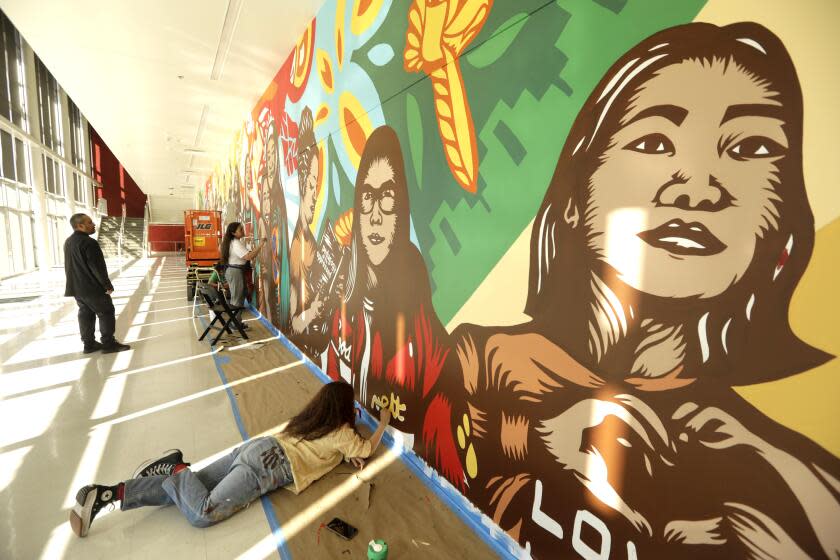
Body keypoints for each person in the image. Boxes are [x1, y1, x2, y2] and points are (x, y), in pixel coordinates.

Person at [437, 22, 839, 559]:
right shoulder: (483, 360)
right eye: (654, 141)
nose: (698, 188)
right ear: (576, 196)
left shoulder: (769, 476)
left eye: (749, 147)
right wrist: (534, 444)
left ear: (781, 225)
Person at [69, 381, 392, 537]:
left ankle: (111, 493)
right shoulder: (342, 432)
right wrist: (384, 422)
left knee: (182, 491)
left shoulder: (315, 418)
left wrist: (347, 456)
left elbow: (345, 450)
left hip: (257, 448)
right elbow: (366, 448)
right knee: (202, 513)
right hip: (269, 467)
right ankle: (176, 466)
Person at [324, 126, 455, 467]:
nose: (376, 214)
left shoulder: (419, 320)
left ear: (402, 210)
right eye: (367, 197)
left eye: (387, 197)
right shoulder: (346, 308)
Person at [64, 213, 130, 354]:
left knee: (85, 313)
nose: (93, 224)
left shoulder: (68, 242)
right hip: (91, 287)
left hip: (77, 288)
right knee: (105, 311)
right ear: (80, 226)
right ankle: (108, 344)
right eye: (89, 222)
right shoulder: (89, 243)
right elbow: (97, 267)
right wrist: (107, 285)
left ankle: (89, 344)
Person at [289, 107, 325, 356]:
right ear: (301, 185)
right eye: (311, 185)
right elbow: (294, 323)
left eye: (317, 184)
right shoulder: (298, 248)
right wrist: (314, 311)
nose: (314, 195)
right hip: (309, 349)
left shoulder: (310, 239)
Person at [220, 222, 265, 310]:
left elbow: (246, 254)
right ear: (233, 233)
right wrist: (260, 245)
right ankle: (235, 322)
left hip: (234, 271)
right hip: (235, 272)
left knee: (241, 294)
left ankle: (236, 321)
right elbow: (249, 257)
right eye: (240, 229)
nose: (243, 231)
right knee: (237, 298)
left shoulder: (232, 242)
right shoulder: (236, 243)